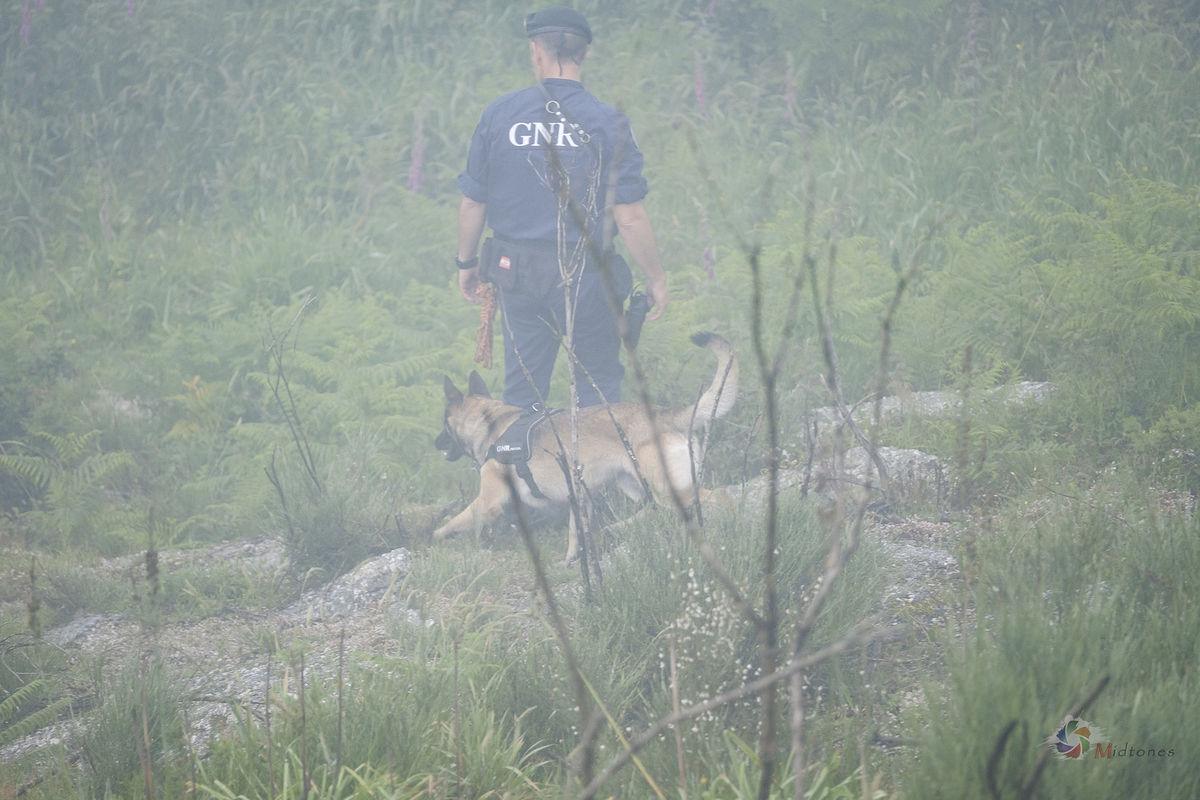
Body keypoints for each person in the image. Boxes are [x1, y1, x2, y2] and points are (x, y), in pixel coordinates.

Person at [454, 6, 669, 410]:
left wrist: (465, 265)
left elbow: (473, 200)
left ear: (536, 51)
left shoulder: (499, 115)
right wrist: (655, 278)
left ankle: (521, 471)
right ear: (584, 54)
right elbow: (631, 215)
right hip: (587, 275)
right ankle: (596, 472)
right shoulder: (609, 122)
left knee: (523, 391)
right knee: (598, 387)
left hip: (515, 272)